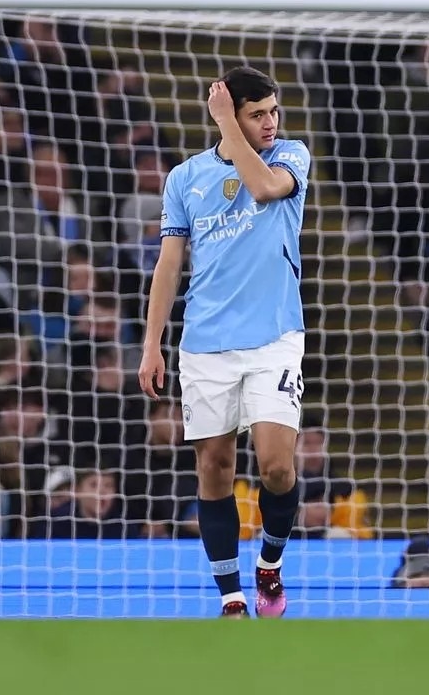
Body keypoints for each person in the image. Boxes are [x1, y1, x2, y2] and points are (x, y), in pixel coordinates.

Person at [138, 67, 310, 619]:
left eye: (273, 112)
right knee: (214, 467)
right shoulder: (185, 178)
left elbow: (261, 188)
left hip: (275, 338)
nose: (270, 122)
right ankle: (232, 597)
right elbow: (169, 266)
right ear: (232, 114)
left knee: (277, 467)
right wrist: (151, 344)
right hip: (206, 342)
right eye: (256, 114)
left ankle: (271, 565)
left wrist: (226, 125)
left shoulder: (290, 157)